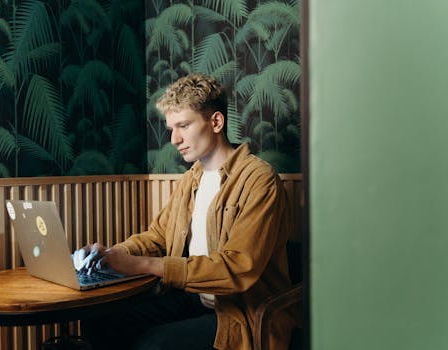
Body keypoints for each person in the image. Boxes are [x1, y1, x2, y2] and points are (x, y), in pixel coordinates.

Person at [73, 72, 294, 349]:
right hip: (191, 298)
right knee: (100, 322)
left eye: (184, 125)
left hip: (239, 313)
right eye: (171, 128)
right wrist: (113, 254)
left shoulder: (259, 179)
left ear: (216, 122)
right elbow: (157, 237)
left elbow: (238, 267)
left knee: (154, 345)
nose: (175, 139)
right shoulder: (191, 179)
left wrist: (142, 265)